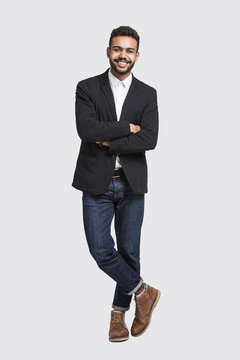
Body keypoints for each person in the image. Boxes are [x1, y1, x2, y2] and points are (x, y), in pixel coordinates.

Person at [72, 26, 160, 342]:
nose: (123, 55)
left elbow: (150, 138)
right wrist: (126, 129)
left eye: (129, 50)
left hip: (131, 182)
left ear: (137, 55)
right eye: (117, 49)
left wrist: (110, 141)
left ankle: (118, 317)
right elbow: (86, 128)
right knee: (100, 250)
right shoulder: (87, 87)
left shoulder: (147, 93)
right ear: (108, 51)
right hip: (95, 181)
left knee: (129, 252)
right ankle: (144, 292)